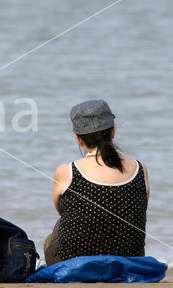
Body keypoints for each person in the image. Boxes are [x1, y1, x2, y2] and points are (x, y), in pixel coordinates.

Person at [44, 100, 149, 265]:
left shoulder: (67, 170)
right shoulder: (139, 168)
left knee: (59, 226)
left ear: (78, 139)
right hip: (130, 259)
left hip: (74, 261)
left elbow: (61, 212)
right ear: (113, 132)